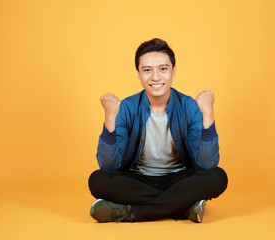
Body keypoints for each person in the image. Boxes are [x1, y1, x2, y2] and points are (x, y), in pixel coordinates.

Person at [88, 38, 228, 223]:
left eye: (163, 69)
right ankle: (184, 206)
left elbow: (207, 165)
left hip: (179, 179)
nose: (155, 77)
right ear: (138, 73)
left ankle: (132, 213)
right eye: (147, 70)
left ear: (173, 71)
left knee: (217, 177)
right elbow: (108, 166)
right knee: (97, 180)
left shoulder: (188, 106)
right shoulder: (127, 107)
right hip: (138, 180)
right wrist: (110, 118)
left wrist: (208, 114)